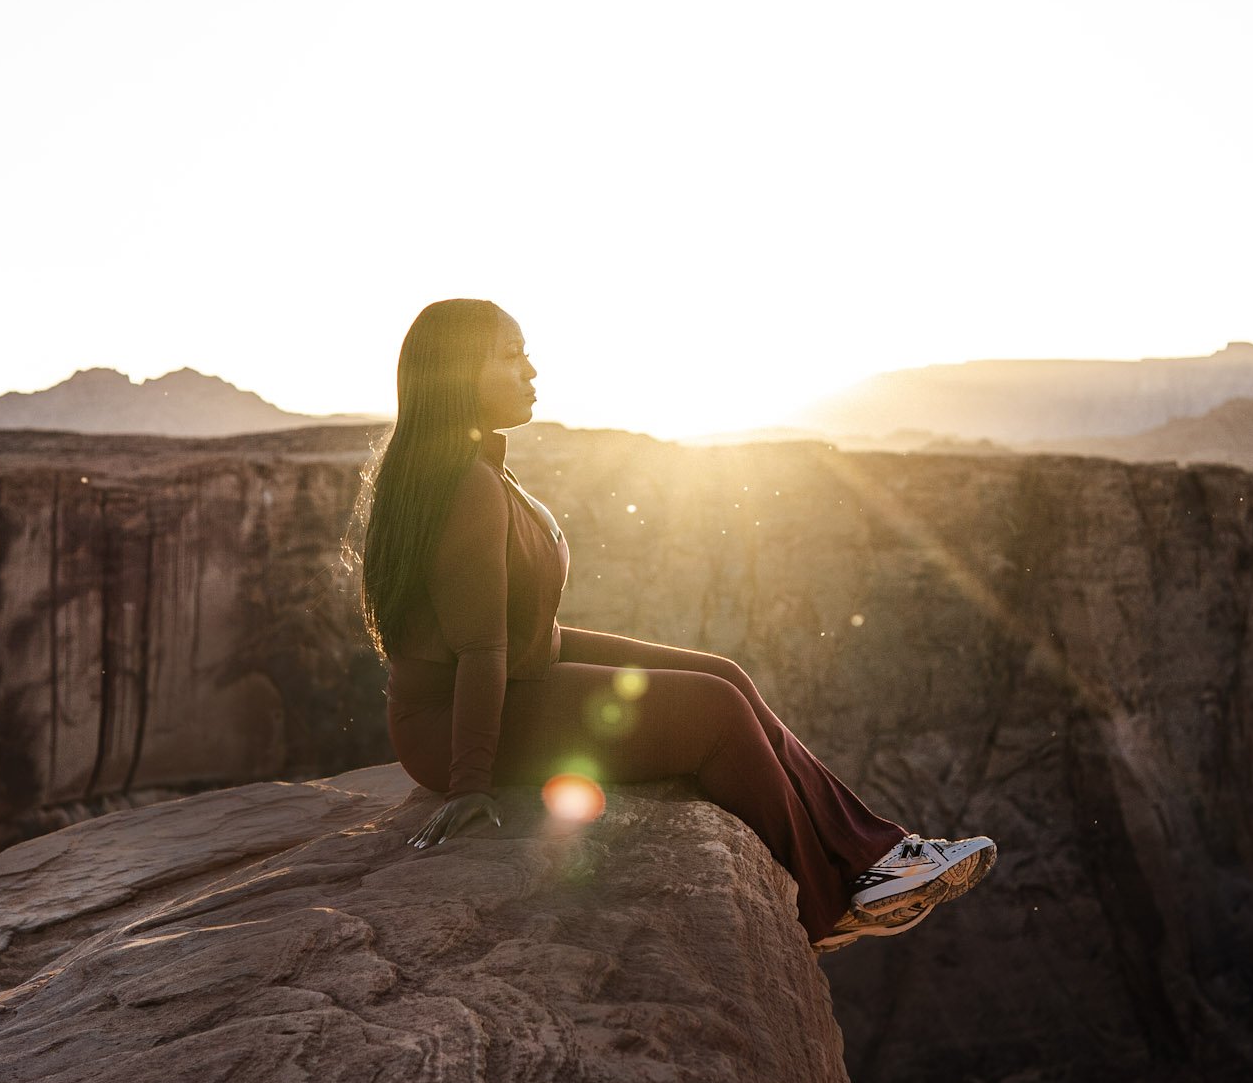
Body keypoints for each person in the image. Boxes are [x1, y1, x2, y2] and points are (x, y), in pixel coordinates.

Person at [350, 298, 998, 953]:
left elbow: (511, 634)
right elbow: (481, 647)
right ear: (460, 375)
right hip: (451, 718)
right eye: (512, 356)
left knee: (723, 672)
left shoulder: (479, 467)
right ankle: (830, 906)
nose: (532, 370)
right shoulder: (467, 485)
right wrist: (467, 784)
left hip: (520, 669)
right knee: (712, 710)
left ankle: (880, 854)